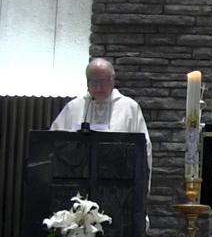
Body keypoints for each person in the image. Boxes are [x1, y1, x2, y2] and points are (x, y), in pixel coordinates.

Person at [51, 58, 152, 188]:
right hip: (78, 184)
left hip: (120, 187)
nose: (99, 87)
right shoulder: (74, 107)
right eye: (94, 81)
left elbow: (144, 148)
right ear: (87, 82)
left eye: (104, 81)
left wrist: (142, 188)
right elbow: (54, 144)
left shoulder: (129, 108)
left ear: (113, 80)